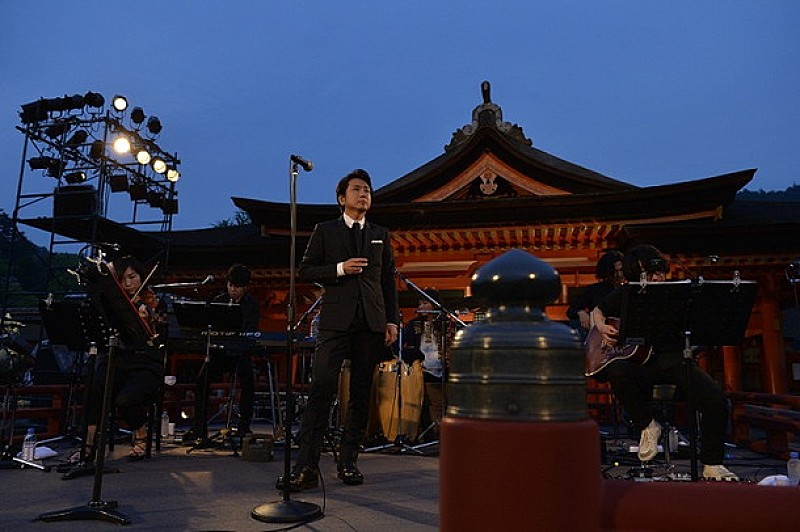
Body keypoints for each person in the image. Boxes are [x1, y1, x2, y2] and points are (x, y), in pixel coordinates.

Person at [277, 169, 400, 490]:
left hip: (371, 322)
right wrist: (339, 268)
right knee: (321, 387)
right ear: (342, 198)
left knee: (361, 392)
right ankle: (306, 467)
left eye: (367, 190)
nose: (364, 194)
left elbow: (387, 279)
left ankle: (349, 462)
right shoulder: (326, 230)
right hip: (335, 321)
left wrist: (392, 320)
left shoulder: (380, 233)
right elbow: (306, 270)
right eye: (357, 189)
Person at [590, 244, 738, 480]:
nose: (656, 277)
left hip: (675, 361)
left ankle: (712, 463)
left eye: (657, 271)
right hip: (640, 365)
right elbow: (598, 310)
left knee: (715, 398)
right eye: (648, 273)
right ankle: (647, 425)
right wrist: (601, 327)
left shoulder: (678, 292)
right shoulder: (629, 292)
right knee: (616, 371)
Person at [83, 255, 165, 461]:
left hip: (146, 364)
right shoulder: (113, 306)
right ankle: (88, 445)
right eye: (122, 279)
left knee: (126, 400)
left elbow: (162, 336)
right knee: (95, 387)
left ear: (142, 277)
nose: (128, 283)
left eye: (132, 277)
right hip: (119, 361)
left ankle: (141, 433)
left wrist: (150, 321)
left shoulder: (154, 303)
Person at [183, 264, 259, 442]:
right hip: (220, 352)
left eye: (237, 286)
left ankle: (244, 425)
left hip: (240, 352)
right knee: (202, 380)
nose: (233, 290)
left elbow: (250, 331)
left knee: (249, 380)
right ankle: (199, 427)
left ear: (245, 287)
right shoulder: (219, 300)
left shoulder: (252, 304)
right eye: (230, 285)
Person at [402, 287, 448, 442]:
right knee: (426, 403)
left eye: (425, 303)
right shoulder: (414, 325)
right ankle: (427, 435)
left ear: (434, 305)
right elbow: (401, 347)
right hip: (422, 370)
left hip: (445, 370)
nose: (420, 307)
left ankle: (444, 434)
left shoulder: (447, 324)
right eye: (419, 303)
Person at [566, 250, 624, 342]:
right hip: (600, 333)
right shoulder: (595, 290)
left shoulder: (629, 289)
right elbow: (571, 310)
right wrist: (580, 312)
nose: (619, 275)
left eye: (621, 270)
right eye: (614, 271)